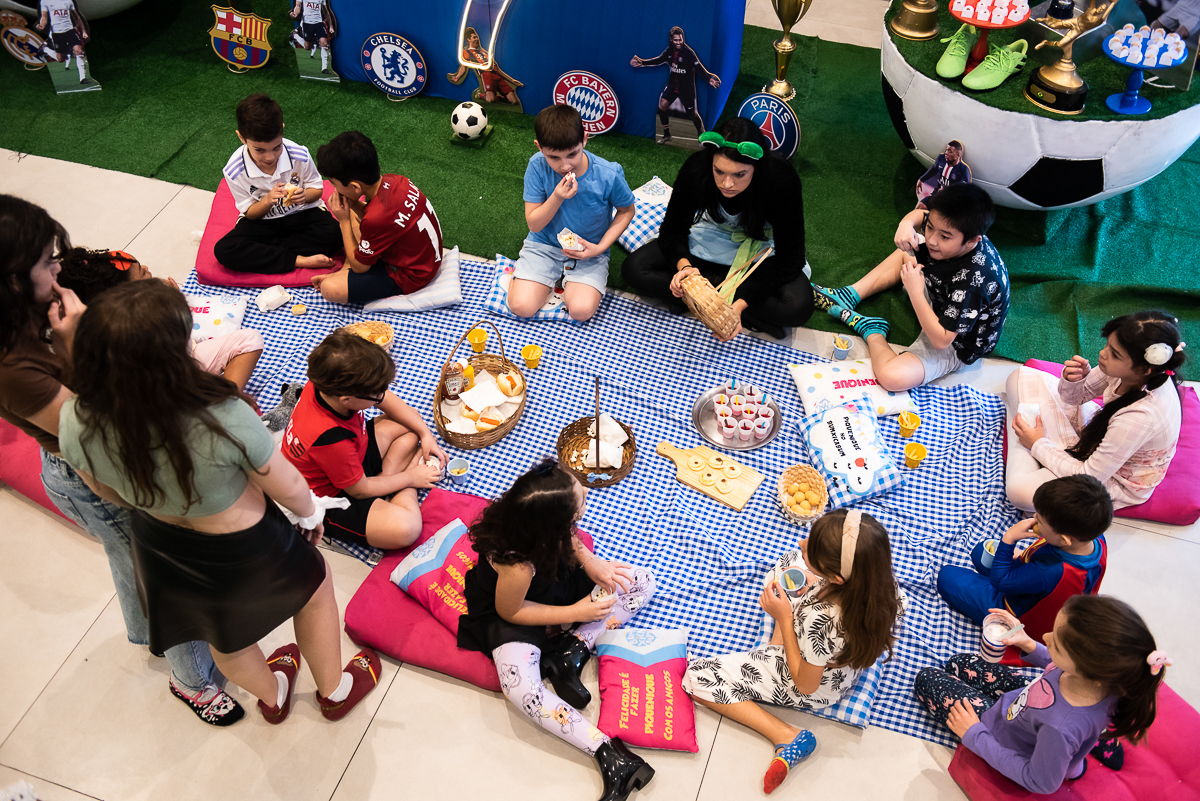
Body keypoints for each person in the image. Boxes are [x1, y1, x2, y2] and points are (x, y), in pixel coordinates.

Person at [57, 280, 382, 725]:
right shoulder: (221, 414)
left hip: (159, 546)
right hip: (242, 546)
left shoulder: (74, 419)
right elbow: (282, 479)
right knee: (315, 592)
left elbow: (105, 493)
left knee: (220, 636)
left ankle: (273, 695)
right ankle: (334, 690)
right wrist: (310, 512)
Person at [0, 195, 239, 726]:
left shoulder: (41, 302)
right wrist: (80, 343)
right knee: (165, 574)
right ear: (13, 280)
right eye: (44, 262)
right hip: (91, 474)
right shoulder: (14, 365)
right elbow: (92, 431)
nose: (58, 268)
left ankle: (143, 632)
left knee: (130, 556)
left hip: (98, 466)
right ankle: (192, 679)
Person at [457, 459, 657, 801]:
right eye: (579, 506)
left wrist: (591, 562)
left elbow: (570, 536)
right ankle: (608, 754)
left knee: (641, 581)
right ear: (551, 525)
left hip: (554, 579)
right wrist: (576, 611)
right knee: (520, 689)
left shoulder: (541, 521)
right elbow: (511, 610)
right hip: (515, 611)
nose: (585, 504)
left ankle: (574, 650)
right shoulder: (517, 564)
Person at [683, 509, 905, 794]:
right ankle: (779, 641)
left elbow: (805, 684)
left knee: (695, 678)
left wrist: (785, 619)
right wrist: (815, 585)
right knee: (789, 565)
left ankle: (787, 735)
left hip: (811, 680)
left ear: (837, 578)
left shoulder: (822, 622)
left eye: (812, 548)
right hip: (840, 662)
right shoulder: (886, 587)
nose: (802, 543)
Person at [914, 595, 1168, 793]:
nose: (1044, 637)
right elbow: (1057, 666)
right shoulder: (1110, 680)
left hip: (1007, 735)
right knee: (959, 662)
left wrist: (974, 735)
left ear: (1090, 672)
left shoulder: (1059, 727)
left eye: (1054, 643)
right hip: (1027, 704)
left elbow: (1040, 782)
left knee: (926, 679)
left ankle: (1075, 755)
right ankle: (1082, 751)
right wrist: (1028, 644)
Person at [622, 117, 813, 341]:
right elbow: (673, 230)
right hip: (709, 242)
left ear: (756, 167)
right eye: (719, 171)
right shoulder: (697, 168)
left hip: (757, 252)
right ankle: (723, 305)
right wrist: (686, 270)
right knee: (634, 269)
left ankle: (702, 302)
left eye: (739, 174)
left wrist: (741, 305)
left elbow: (791, 257)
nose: (727, 184)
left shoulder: (781, 179)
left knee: (798, 307)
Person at [812, 183, 1008, 390]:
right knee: (911, 246)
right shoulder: (958, 228)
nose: (932, 239)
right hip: (942, 295)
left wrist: (916, 292)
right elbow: (922, 216)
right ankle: (850, 294)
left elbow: (941, 341)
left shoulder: (972, 283)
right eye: (931, 227)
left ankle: (872, 330)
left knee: (892, 377)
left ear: (972, 241)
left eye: (944, 236)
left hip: (955, 341)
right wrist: (906, 223)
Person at [282, 330, 446, 549]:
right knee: (406, 528)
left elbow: (388, 401)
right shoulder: (329, 438)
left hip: (352, 457)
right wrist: (410, 479)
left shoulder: (324, 382)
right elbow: (358, 489)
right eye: (375, 396)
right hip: (330, 496)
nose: (381, 397)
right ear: (347, 399)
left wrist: (426, 435)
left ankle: (386, 483)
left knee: (411, 423)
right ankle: (395, 488)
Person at [1006, 311, 1184, 511]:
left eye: (1115, 354)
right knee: (1018, 377)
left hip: (1113, 479)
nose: (1103, 353)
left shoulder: (1141, 417)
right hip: (1101, 435)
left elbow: (1088, 475)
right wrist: (1073, 380)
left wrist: (1037, 443)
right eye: (1108, 344)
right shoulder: (1129, 371)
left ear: (1144, 369)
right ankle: (1029, 444)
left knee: (1019, 492)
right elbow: (1075, 398)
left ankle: (1025, 442)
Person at [55, 247, 264, 403]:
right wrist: (175, 306)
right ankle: (224, 405)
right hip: (167, 382)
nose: (146, 268)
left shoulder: (140, 302)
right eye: (140, 271)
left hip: (185, 361)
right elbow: (171, 352)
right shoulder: (123, 331)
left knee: (249, 339)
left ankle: (230, 398)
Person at [507, 105, 635, 322]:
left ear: (585, 139)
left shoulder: (608, 174)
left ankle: (553, 280)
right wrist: (557, 196)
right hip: (544, 244)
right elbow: (534, 225)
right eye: (554, 157)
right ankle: (531, 274)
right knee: (521, 306)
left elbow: (627, 211)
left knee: (581, 311)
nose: (565, 165)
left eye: (572, 154)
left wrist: (600, 248)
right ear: (539, 147)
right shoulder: (537, 166)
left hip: (589, 250)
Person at [938, 475, 1110, 626]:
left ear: (1064, 539)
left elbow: (1000, 582)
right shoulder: (1096, 540)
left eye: (1040, 520)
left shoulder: (1048, 571)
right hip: (1040, 587)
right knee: (980, 551)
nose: (1034, 519)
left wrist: (1009, 539)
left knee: (946, 576)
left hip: (1014, 610)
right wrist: (1022, 554)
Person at [214, 94, 342, 275]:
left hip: (302, 214)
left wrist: (304, 196)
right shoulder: (234, 170)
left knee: (335, 235)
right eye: (259, 150)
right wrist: (267, 201)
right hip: (263, 222)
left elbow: (317, 189)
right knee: (224, 250)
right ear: (242, 138)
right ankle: (298, 260)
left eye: (277, 147)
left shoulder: (299, 154)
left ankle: (267, 253)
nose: (270, 157)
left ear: (281, 130)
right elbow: (250, 214)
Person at [312, 130, 445, 305]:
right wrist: (353, 205)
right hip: (426, 258)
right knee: (354, 216)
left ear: (355, 187)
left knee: (330, 288)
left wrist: (343, 220)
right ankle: (347, 268)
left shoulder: (376, 219)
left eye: (334, 184)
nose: (334, 188)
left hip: (411, 275)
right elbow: (385, 219)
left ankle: (346, 270)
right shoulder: (396, 180)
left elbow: (361, 267)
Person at [630, 26, 722, 143]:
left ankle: (701, 135)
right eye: (676, 40)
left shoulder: (688, 53)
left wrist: (709, 78)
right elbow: (658, 60)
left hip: (687, 89)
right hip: (673, 86)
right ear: (671, 40)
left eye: (680, 40)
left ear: (683, 39)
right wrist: (642, 63)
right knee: (662, 107)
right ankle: (667, 135)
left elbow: (698, 67)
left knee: (692, 114)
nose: (679, 42)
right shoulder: (669, 51)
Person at [446, 26, 523, 105]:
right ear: (468, 40)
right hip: (486, 75)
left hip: (497, 75)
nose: (477, 39)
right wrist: (457, 77)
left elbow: (498, 70)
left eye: (477, 37)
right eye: (474, 37)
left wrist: (512, 81)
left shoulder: (485, 53)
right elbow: (463, 66)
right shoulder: (466, 52)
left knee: (514, 101)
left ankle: (498, 97)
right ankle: (480, 95)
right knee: (491, 100)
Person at [36, 0, 90, 85]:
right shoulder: (45, 1)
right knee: (61, 59)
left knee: (78, 51)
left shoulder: (68, 1)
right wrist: (41, 26)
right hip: (57, 33)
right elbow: (44, 17)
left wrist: (84, 32)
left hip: (70, 31)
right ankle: (45, 49)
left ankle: (83, 78)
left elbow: (76, 17)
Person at [915, 140, 971, 208]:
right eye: (946, 150)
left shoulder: (963, 170)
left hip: (950, 202)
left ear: (958, 155)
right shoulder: (941, 158)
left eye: (949, 151)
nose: (946, 153)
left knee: (936, 215)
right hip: (936, 195)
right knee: (920, 207)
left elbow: (965, 190)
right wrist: (921, 180)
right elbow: (934, 169)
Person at [290, 0, 334, 75]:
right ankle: (295, 36)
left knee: (324, 43)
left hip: (318, 23)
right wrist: (295, 14)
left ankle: (324, 68)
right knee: (308, 47)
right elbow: (298, 6)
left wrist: (330, 26)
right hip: (307, 23)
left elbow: (326, 11)